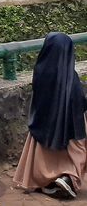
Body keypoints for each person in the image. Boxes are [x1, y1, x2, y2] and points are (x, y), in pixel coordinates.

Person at [13, 32, 87, 200]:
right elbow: (78, 101)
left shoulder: (40, 71)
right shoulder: (70, 76)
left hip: (43, 123)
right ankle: (69, 176)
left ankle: (48, 179)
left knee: (42, 152)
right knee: (76, 148)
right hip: (70, 125)